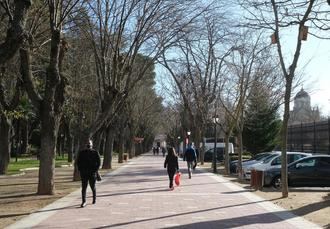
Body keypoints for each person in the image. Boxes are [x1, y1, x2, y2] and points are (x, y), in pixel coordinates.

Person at [76, 139, 101, 207]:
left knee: (93, 186)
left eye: (89, 143)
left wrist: (95, 170)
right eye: (87, 144)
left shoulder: (95, 152)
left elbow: (99, 163)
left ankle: (94, 198)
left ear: (92, 145)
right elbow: (78, 162)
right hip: (84, 173)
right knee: (84, 187)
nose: (88, 145)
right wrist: (80, 170)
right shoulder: (82, 153)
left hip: (92, 173)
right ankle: (83, 201)